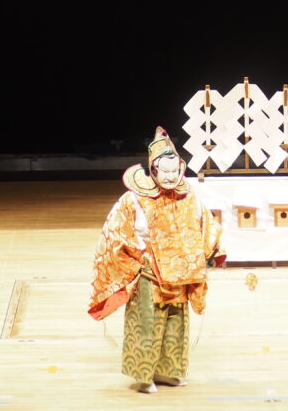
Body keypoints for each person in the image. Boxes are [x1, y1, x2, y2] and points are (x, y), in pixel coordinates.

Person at [88, 127, 224, 394]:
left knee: (176, 323)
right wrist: (139, 256)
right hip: (151, 269)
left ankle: (168, 371)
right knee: (149, 324)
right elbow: (116, 231)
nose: (172, 177)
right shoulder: (134, 198)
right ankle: (143, 375)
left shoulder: (188, 195)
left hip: (182, 270)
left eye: (176, 172)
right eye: (166, 172)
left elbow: (205, 222)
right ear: (153, 171)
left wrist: (212, 248)